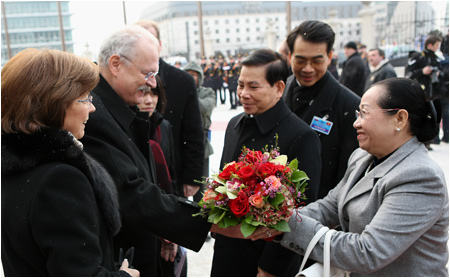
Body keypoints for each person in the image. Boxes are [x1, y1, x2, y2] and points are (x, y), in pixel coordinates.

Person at [81, 25, 269, 277]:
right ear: (115, 64)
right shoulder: (94, 115)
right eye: (147, 73)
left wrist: (167, 227)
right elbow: (131, 194)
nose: (151, 83)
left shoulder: (116, 107)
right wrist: (210, 221)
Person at [277, 78, 449, 276]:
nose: (356, 122)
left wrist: (287, 225)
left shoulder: (420, 177)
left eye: (365, 113)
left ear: (400, 118)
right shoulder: (362, 156)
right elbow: (329, 207)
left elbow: (367, 252)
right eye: (358, 113)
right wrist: (278, 218)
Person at [1, 48, 138, 277]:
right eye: (84, 98)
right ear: (51, 103)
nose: (92, 107)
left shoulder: (18, 164)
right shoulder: (59, 178)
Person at [211, 49, 322, 277]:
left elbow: (303, 212)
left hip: (265, 260)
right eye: (241, 85)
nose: (243, 94)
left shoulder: (301, 136)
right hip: (228, 250)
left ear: (279, 88)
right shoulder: (234, 124)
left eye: (253, 87)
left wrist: (272, 267)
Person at [283, 20, 361, 200]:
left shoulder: (349, 106)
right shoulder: (278, 93)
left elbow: (349, 174)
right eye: (300, 60)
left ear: (330, 56)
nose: (308, 69)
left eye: (317, 61)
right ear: (290, 57)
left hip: (322, 212)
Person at [135, 20, 205, 198]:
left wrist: (192, 178)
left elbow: (194, 132)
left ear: (159, 44)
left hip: (176, 173)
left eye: (149, 39)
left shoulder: (182, 80)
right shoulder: (126, 81)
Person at [137, 75, 185, 276]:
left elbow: (170, 175)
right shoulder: (128, 129)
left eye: (154, 94)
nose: (149, 100)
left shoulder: (163, 125)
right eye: (143, 93)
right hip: (143, 215)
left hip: (164, 211)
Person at [183, 61, 216, 203]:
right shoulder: (178, 93)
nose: (191, 78)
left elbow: (205, 107)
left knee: (201, 185)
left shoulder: (207, 92)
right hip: (182, 144)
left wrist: (188, 94)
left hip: (202, 144)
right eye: (188, 75)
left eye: (194, 75)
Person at [406, 35, 444, 149]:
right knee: (422, 116)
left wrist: (438, 74)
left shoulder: (435, 57)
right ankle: (423, 141)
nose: (438, 47)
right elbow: (409, 73)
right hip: (421, 91)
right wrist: (422, 71)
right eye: (436, 45)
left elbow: (442, 71)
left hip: (434, 92)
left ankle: (432, 139)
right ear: (430, 45)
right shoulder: (418, 57)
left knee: (434, 116)